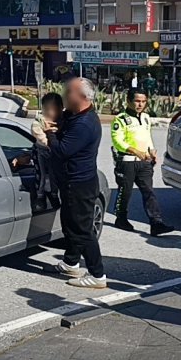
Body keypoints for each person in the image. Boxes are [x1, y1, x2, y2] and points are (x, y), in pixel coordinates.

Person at [45, 77, 107, 289]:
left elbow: (62, 150)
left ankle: (97, 275)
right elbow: (61, 121)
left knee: (82, 230)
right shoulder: (74, 115)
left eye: (68, 91)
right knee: (69, 224)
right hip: (70, 182)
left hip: (80, 184)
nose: (64, 94)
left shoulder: (85, 123)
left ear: (81, 96)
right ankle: (71, 262)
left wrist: (50, 134)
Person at [111, 88, 174, 236]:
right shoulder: (120, 119)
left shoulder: (145, 117)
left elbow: (147, 137)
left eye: (143, 101)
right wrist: (135, 151)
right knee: (125, 192)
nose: (140, 104)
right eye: (137, 101)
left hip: (144, 163)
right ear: (128, 101)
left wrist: (152, 151)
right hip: (127, 162)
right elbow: (117, 141)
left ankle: (156, 223)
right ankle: (121, 218)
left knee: (149, 192)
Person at [30, 92, 63, 211]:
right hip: (41, 151)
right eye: (47, 109)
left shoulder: (61, 121)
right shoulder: (39, 121)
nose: (50, 113)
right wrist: (48, 141)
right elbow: (37, 133)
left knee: (54, 175)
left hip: (54, 153)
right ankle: (40, 197)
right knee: (41, 175)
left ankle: (54, 195)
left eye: (54, 110)